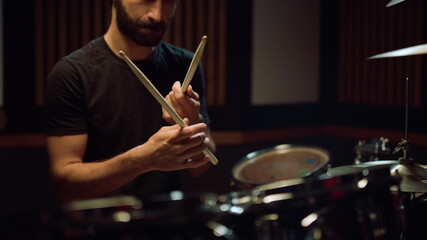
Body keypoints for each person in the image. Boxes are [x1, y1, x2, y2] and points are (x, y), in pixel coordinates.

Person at [44, 0, 216, 202]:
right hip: (100, 225)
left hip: (168, 219)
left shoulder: (185, 65)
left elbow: (203, 166)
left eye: (169, 2)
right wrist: (144, 159)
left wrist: (193, 123)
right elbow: (65, 185)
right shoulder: (72, 74)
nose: (158, 16)